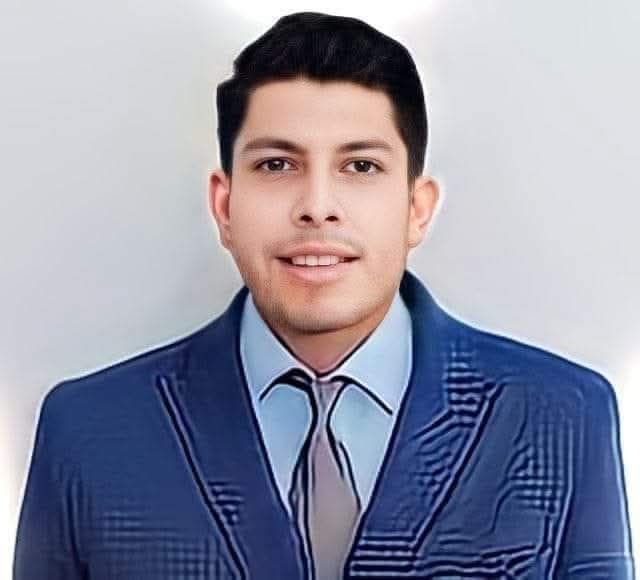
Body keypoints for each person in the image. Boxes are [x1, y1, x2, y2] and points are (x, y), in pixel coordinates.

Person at [13, 11, 634, 580]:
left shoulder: (564, 417)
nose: (316, 206)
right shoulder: (90, 431)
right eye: (276, 165)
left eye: (360, 167)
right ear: (224, 207)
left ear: (417, 209)